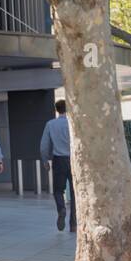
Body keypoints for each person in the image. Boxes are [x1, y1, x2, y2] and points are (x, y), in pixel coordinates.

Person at [40, 98, 76, 232]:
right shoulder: (73, 123)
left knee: (58, 190)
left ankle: (61, 209)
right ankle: (74, 224)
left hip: (59, 160)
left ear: (56, 109)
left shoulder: (50, 124)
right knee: (75, 193)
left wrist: (45, 161)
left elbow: (44, 146)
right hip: (73, 160)